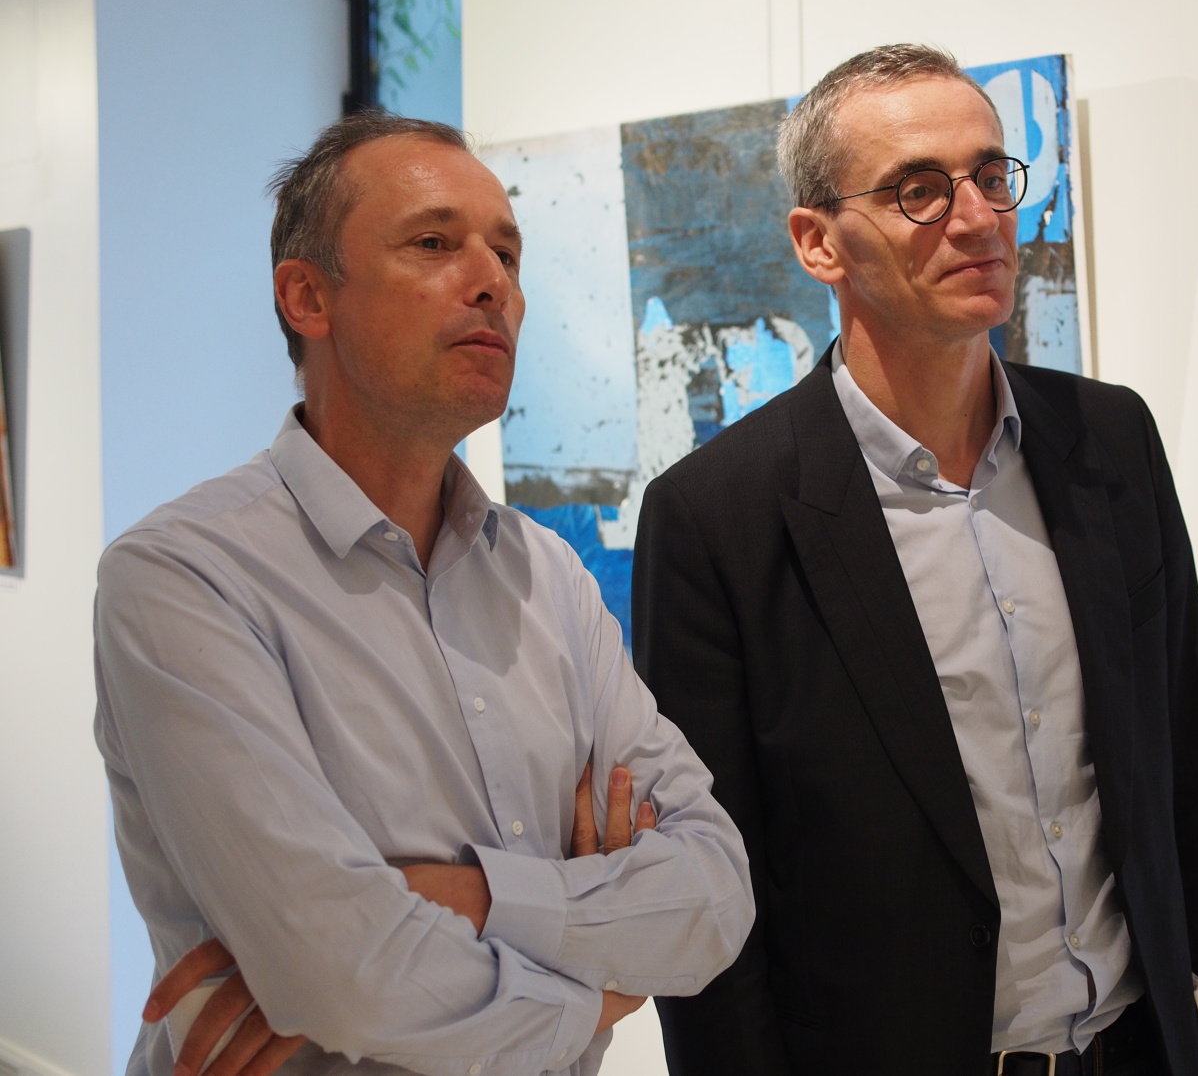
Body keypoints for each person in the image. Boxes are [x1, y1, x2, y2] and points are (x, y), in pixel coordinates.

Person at [632, 45, 1198, 1076]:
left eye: (988, 174)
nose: (975, 218)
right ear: (817, 241)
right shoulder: (718, 516)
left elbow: (1188, 784)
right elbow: (708, 892)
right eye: (918, 190)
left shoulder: (1109, 441)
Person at [94, 112, 754, 1076]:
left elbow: (715, 893)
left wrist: (465, 895)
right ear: (307, 296)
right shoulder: (184, 577)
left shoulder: (547, 575)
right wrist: (605, 987)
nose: (493, 282)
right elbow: (346, 973)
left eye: (507, 253)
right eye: (435, 244)